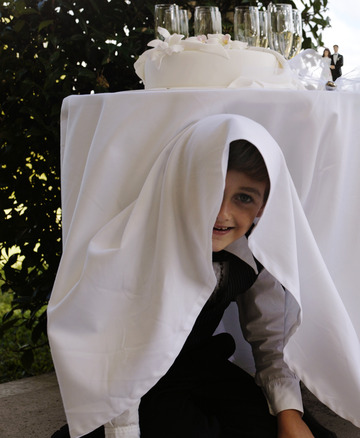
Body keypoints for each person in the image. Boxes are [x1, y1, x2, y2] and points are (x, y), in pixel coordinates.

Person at [49, 116, 333, 437]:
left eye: (243, 198)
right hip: (142, 377)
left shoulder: (253, 255)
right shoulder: (142, 250)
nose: (222, 213)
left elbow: (269, 338)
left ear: (264, 206)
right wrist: (123, 431)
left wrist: (289, 413)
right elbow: (121, 354)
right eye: (211, 190)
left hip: (201, 366)